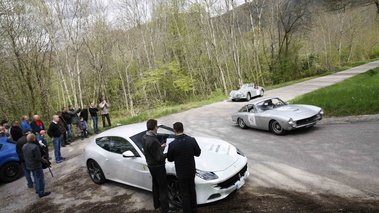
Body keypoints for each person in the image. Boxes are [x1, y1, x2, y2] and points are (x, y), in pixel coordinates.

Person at [167, 122, 201, 213]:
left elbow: (170, 159)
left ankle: (187, 210)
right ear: (183, 129)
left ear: (174, 131)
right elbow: (198, 153)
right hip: (191, 170)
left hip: (181, 172)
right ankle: (194, 209)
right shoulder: (191, 140)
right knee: (192, 190)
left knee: (184, 192)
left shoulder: (172, 144)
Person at [141, 119, 170, 213]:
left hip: (151, 165)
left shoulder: (145, 137)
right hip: (158, 167)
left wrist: (160, 147)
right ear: (154, 127)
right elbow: (160, 158)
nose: (157, 128)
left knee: (155, 185)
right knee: (163, 188)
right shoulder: (153, 140)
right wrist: (168, 153)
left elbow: (151, 150)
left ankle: (156, 204)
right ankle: (165, 209)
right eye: (157, 126)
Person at [22, 133, 51, 198]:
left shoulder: (24, 146)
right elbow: (38, 158)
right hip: (36, 165)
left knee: (35, 177)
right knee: (40, 178)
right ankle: (41, 192)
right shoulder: (35, 147)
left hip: (29, 165)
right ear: (33, 138)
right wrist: (45, 161)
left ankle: (38, 190)